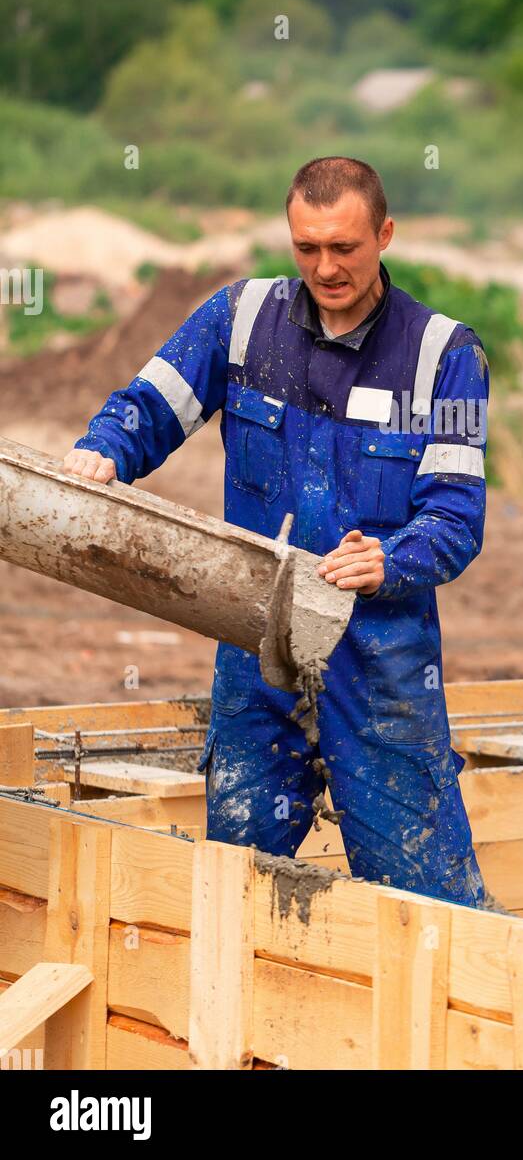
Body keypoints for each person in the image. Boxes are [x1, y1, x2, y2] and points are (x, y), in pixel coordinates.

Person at [64, 157, 489, 907]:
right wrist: (104, 450)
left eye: (346, 248)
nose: (326, 268)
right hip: (257, 650)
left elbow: (456, 518)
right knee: (236, 892)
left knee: (429, 907)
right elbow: (150, 407)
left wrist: (390, 557)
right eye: (308, 248)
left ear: (384, 234)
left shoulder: (443, 357)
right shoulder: (239, 320)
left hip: (382, 663)